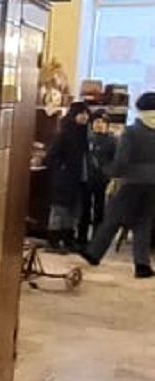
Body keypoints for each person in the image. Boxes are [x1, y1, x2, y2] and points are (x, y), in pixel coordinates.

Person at [84, 90, 155, 278]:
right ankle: (142, 265)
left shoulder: (131, 132)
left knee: (113, 217)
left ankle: (93, 254)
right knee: (143, 222)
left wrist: (108, 170)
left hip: (132, 181)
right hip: (153, 184)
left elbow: (121, 162)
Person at [44, 99, 92, 252]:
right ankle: (53, 241)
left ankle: (68, 239)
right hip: (64, 179)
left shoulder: (84, 134)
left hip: (80, 179)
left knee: (73, 211)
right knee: (59, 210)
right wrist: (62, 168)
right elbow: (50, 157)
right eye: (81, 113)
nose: (85, 117)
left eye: (86, 113)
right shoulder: (64, 134)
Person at [79, 106, 117, 251]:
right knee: (84, 209)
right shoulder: (86, 139)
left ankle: (96, 240)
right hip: (86, 179)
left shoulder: (112, 141)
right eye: (96, 122)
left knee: (100, 210)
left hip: (102, 180)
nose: (99, 125)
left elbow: (115, 161)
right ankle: (81, 238)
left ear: (107, 124)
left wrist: (109, 174)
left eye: (102, 122)